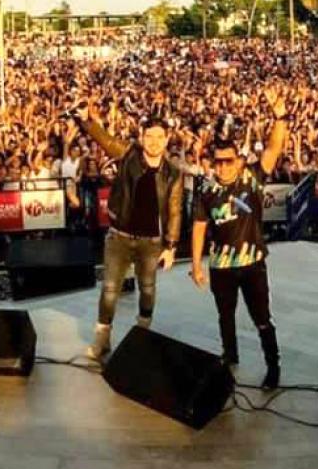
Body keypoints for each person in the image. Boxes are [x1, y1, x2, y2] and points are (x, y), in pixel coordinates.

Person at [190, 88, 290, 389]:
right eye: (218, 161)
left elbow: (272, 149)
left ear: (238, 161)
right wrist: (196, 264)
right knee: (225, 316)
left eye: (228, 161)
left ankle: (273, 365)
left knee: (262, 317)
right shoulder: (206, 190)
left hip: (252, 262)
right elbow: (199, 227)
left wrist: (280, 116)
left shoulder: (252, 179)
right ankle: (229, 355)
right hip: (220, 265)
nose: (223, 166)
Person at [75, 104, 183, 360]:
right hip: (119, 237)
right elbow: (106, 140)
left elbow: (175, 210)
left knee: (147, 289)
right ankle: (102, 338)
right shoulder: (129, 154)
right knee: (110, 289)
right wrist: (87, 122)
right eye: (150, 136)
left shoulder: (173, 174)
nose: (155, 142)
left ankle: (142, 334)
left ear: (167, 139)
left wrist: (171, 246)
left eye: (160, 137)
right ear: (142, 136)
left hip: (151, 242)